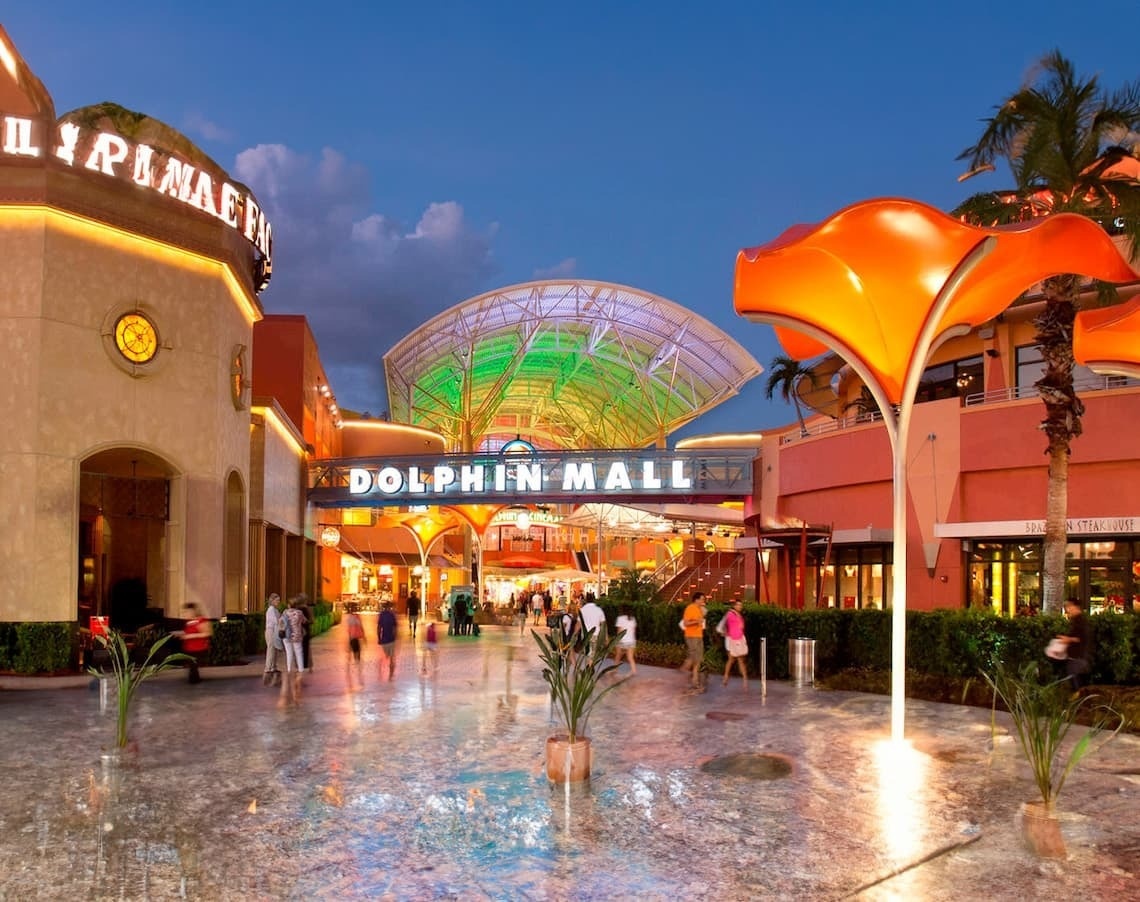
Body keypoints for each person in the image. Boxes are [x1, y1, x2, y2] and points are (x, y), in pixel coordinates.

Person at [1057, 596, 1091, 690]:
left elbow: (1080, 638)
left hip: (1077, 659)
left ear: (1075, 606)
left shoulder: (1080, 621)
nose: (1067, 609)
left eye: (1068, 606)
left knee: (1077, 687)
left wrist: (1067, 639)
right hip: (1077, 658)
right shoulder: (1076, 620)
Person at [279, 597, 307, 705]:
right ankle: (300, 669)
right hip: (297, 636)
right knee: (299, 653)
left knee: (289, 653)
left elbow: (280, 622)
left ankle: (289, 668)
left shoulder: (285, 612)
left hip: (287, 636)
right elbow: (304, 621)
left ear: (288, 605)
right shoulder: (299, 613)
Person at [680, 592, 708, 694]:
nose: (703, 601)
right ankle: (684, 669)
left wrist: (702, 616)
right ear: (696, 600)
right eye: (702, 599)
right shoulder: (690, 608)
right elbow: (686, 623)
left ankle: (695, 682)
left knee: (698, 660)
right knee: (693, 658)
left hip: (699, 636)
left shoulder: (699, 609)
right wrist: (697, 622)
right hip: (691, 636)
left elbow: (701, 620)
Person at [178, 603, 211, 684]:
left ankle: (194, 681)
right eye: (184, 612)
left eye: (187, 612)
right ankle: (195, 679)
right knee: (192, 666)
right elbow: (188, 632)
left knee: (193, 665)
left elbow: (207, 633)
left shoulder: (201, 620)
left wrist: (190, 636)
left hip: (199, 648)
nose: (185, 614)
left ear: (193, 611)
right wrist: (182, 635)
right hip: (189, 648)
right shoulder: (189, 622)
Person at [721, 600, 748, 689]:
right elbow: (725, 625)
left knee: (740, 659)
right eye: (738, 605)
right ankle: (726, 677)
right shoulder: (730, 614)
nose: (740, 607)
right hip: (731, 639)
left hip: (739, 639)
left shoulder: (739, 615)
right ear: (734, 606)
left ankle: (744, 680)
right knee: (731, 659)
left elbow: (741, 626)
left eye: (741, 605)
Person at [262, 593, 284, 687]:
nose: (278, 602)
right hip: (270, 631)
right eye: (277, 600)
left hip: (274, 631)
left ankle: (273, 667)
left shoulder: (276, 610)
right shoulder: (271, 609)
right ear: (272, 600)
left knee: (274, 650)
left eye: (279, 600)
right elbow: (276, 621)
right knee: (271, 650)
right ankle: (268, 668)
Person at [345, 604, 364, 689]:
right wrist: (364, 635)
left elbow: (349, 629)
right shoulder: (356, 617)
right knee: (357, 652)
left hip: (352, 637)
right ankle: (357, 666)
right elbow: (360, 626)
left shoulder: (350, 618)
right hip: (355, 637)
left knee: (352, 651)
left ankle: (349, 666)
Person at [614, 605, 637, 674]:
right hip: (631, 640)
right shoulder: (633, 619)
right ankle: (634, 670)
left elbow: (619, 631)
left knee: (618, 655)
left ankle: (614, 669)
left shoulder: (620, 618)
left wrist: (616, 640)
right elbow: (634, 631)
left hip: (622, 640)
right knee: (630, 657)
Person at [378, 601, 398, 680]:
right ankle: (391, 676)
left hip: (384, 639)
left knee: (386, 656)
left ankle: (384, 673)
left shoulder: (382, 615)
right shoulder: (392, 615)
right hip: (391, 639)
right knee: (391, 657)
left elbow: (379, 627)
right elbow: (394, 628)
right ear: (389, 607)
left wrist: (379, 638)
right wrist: (395, 637)